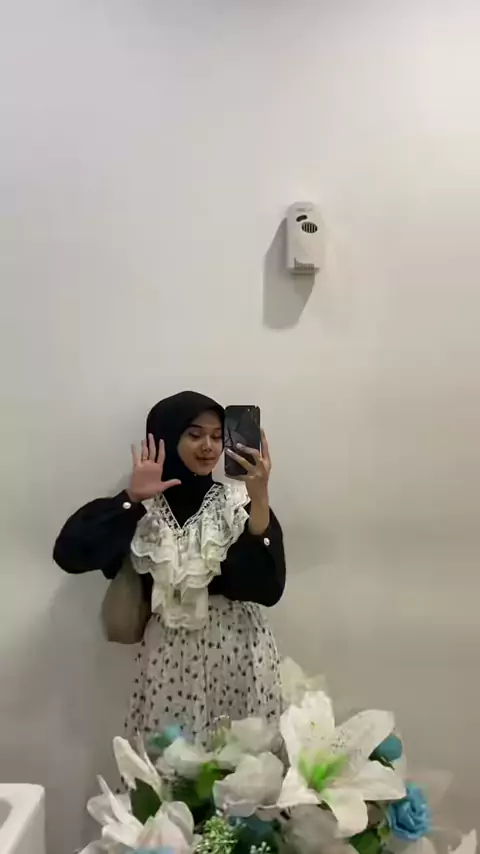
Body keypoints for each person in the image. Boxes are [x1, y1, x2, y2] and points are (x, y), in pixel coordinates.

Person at [54, 391, 286, 740]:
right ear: (165, 437)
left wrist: (261, 498)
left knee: (243, 764)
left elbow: (267, 589)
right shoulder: (143, 509)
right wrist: (131, 500)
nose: (208, 446)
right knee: (169, 763)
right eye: (194, 434)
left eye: (217, 436)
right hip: (169, 663)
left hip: (239, 656)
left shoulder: (237, 503)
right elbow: (70, 555)